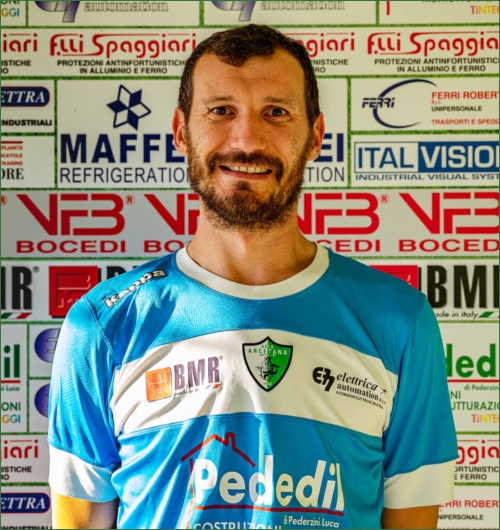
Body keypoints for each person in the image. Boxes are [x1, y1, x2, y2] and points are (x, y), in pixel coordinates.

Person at [48, 24, 457, 529]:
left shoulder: (399, 321)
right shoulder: (103, 325)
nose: (247, 140)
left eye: (276, 112)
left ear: (315, 137)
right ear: (181, 131)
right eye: (221, 110)